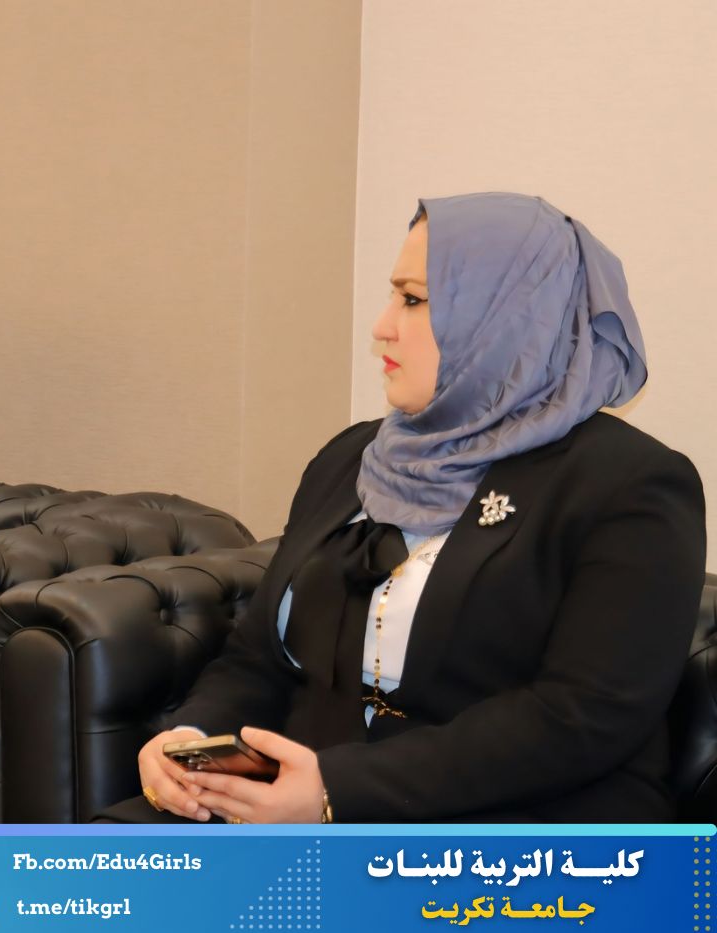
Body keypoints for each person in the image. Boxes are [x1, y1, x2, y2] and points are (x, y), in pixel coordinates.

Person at [113, 192, 706, 823]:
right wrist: (191, 742)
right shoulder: (353, 458)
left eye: (413, 300)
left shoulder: (631, 483)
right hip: (295, 807)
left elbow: (583, 715)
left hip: (514, 830)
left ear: (504, 316)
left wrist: (334, 790)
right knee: (77, 869)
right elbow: (259, 658)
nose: (382, 326)